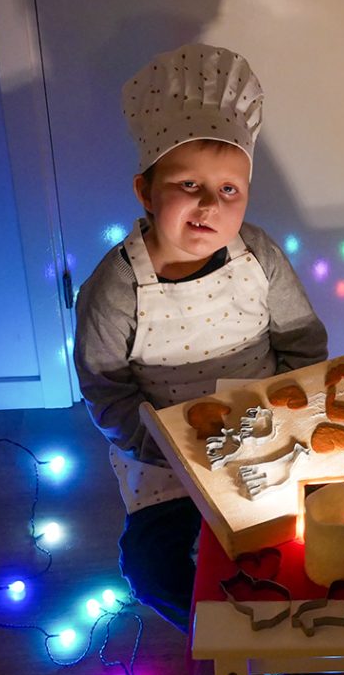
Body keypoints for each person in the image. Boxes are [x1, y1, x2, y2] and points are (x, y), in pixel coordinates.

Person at [73, 43, 328, 637]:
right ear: (145, 190)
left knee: (315, 537)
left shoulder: (258, 256)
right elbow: (104, 387)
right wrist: (167, 450)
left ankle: (309, 634)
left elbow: (302, 342)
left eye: (229, 190)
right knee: (155, 564)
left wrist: (290, 414)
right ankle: (239, 644)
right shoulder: (114, 288)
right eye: (188, 184)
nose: (210, 206)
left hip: (266, 436)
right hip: (165, 458)